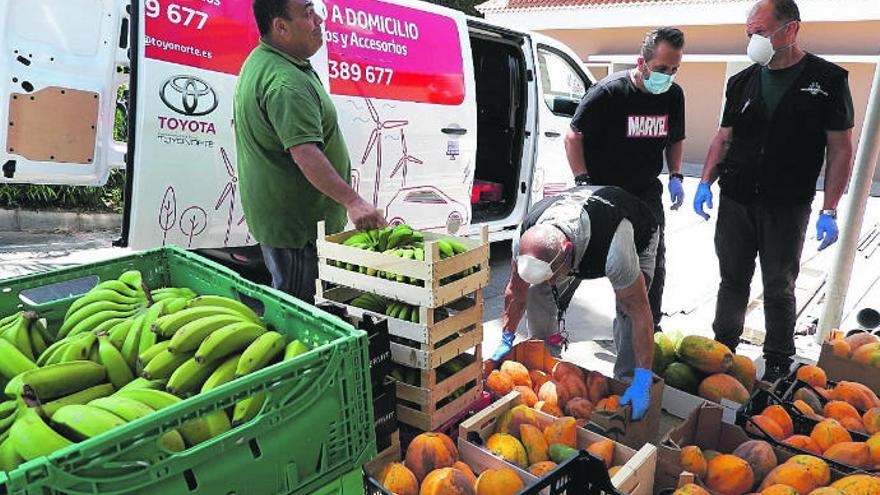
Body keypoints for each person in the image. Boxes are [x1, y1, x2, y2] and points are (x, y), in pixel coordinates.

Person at [693, 0, 854, 382]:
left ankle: (778, 362)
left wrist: (829, 209)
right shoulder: (742, 81)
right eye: (750, 33)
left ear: (791, 29)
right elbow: (724, 137)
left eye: (761, 32)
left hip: (787, 203)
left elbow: (840, 148)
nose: (754, 40)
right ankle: (722, 352)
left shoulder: (827, 81)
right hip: (737, 199)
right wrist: (704, 182)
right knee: (732, 280)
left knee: (779, 286)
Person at [234, 0, 385, 304]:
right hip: (298, 231)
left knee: (292, 301)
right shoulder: (286, 82)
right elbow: (306, 154)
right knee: (300, 314)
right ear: (281, 27)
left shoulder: (267, 59)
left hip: (284, 222)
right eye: (307, 13)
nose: (319, 20)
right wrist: (353, 201)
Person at [490, 185, 660, 419]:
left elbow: (640, 314)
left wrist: (643, 378)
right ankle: (547, 359)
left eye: (554, 276)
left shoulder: (616, 252)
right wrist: (507, 337)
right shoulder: (524, 239)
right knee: (537, 291)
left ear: (567, 252)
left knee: (627, 312)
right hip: (575, 239)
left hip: (635, 232)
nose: (552, 283)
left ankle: (628, 384)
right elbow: (516, 292)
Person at [565, 27, 686, 334]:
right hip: (605, 191)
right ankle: (555, 314)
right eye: (661, 69)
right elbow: (573, 135)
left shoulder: (673, 95)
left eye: (674, 69)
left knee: (653, 262)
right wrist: (583, 182)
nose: (668, 76)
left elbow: (675, 139)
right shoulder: (609, 92)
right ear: (641, 62)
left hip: (645, 192)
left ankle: (645, 328)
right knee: (583, 256)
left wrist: (675, 175)